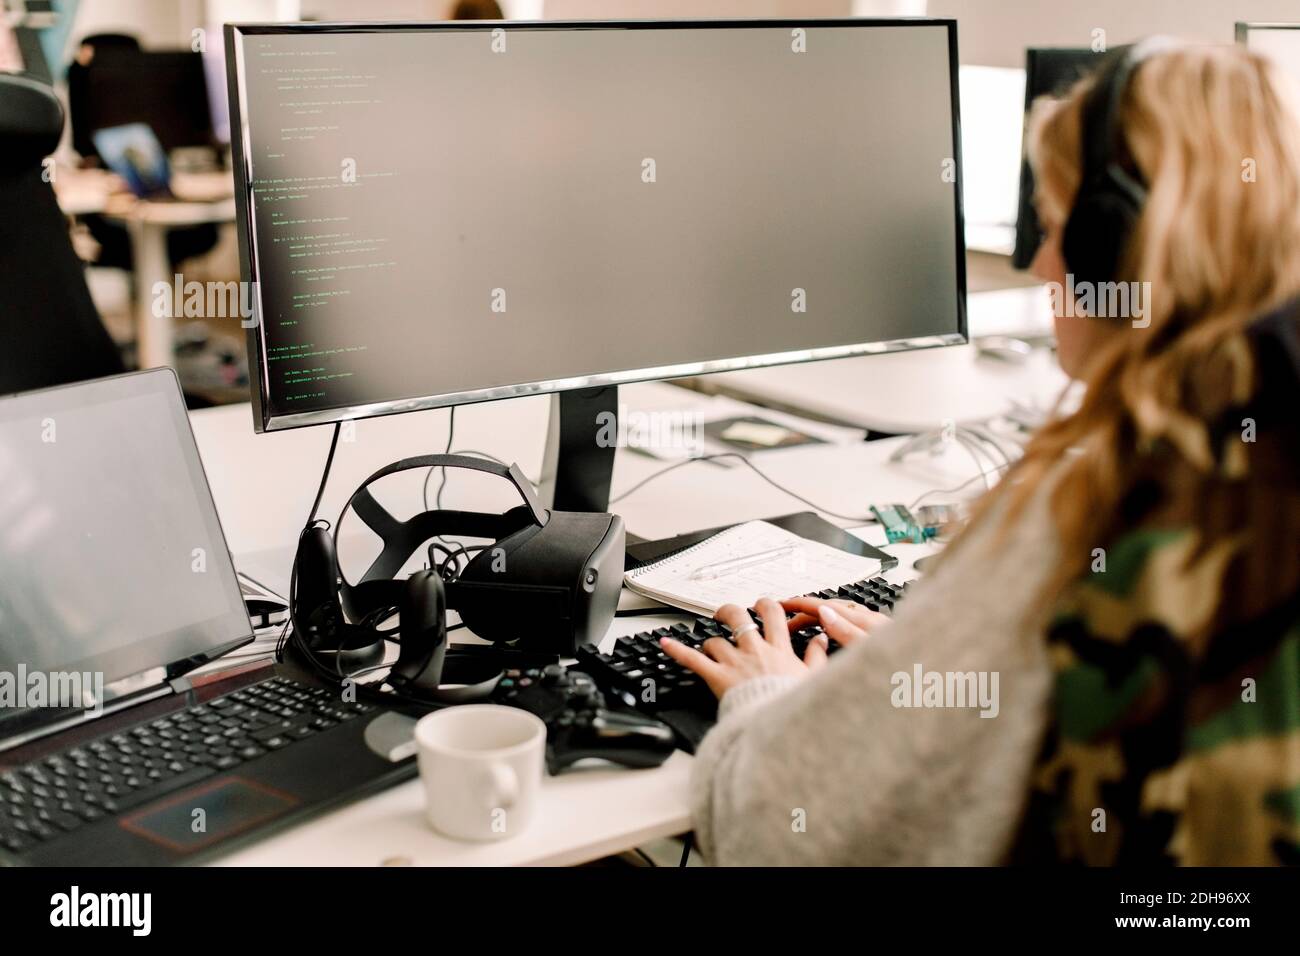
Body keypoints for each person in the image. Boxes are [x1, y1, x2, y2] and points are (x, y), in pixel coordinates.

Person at [661, 40, 1300, 866]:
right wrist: (922, 666)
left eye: (1058, 227)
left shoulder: (1089, 511)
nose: (1038, 261)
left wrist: (770, 692)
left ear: (1115, 249)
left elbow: (774, 826)